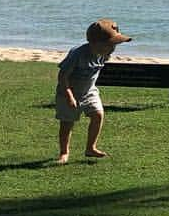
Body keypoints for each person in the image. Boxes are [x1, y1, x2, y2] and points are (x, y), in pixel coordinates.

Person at [55, 19, 132, 163]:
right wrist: (69, 96)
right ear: (96, 43)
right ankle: (64, 153)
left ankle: (91, 148)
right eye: (111, 44)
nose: (113, 48)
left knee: (98, 115)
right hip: (69, 91)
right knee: (67, 123)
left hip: (89, 91)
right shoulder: (77, 55)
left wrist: (107, 54)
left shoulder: (104, 53)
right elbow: (63, 76)